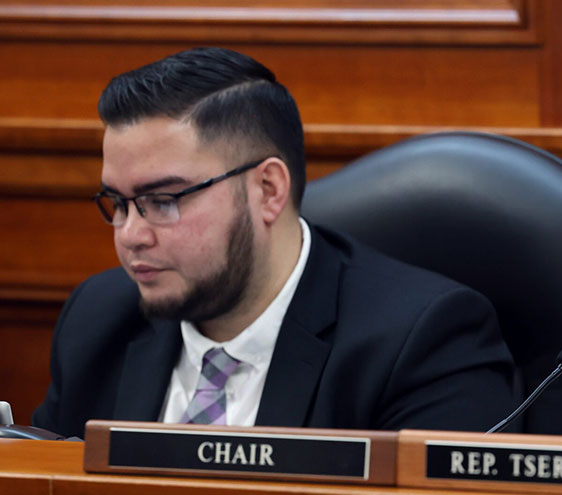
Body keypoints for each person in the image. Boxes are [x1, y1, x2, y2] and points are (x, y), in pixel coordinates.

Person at [33, 47, 518, 438]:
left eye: (163, 200)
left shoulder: (420, 343)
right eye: (117, 202)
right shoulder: (97, 320)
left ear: (267, 191)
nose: (131, 235)